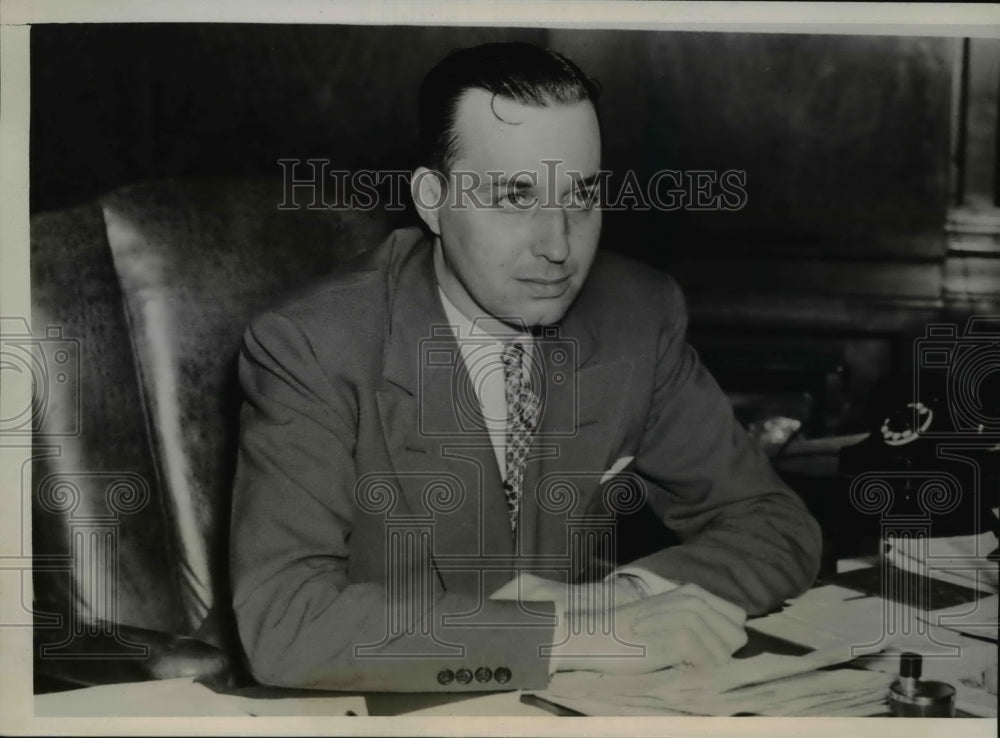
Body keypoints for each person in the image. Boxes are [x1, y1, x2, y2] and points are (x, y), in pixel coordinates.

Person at [230, 41, 822, 692]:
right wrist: (574, 633)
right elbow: (285, 623)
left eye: (582, 196)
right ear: (432, 199)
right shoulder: (313, 347)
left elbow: (775, 523)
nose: (559, 246)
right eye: (515, 197)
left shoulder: (634, 314)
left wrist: (628, 593)